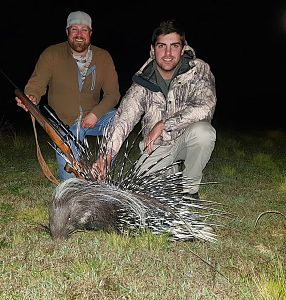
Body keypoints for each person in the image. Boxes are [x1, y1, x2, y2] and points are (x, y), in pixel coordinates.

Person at [96, 19, 217, 197]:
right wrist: (105, 157)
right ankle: (170, 174)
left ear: (183, 49)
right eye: (161, 46)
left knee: (204, 133)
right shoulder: (143, 80)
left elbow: (205, 106)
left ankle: (189, 191)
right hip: (156, 147)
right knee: (139, 192)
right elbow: (124, 118)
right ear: (152, 50)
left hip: (185, 139)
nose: (168, 53)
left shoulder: (199, 70)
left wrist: (164, 124)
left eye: (174, 46)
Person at [16, 11, 120, 181]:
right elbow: (36, 85)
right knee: (69, 181)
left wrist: (96, 113)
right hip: (62, 124)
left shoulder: (103, 57)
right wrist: (31, 97)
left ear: (90, 33)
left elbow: (113, 95)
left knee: (121, 117)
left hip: (91, 119)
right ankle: (73, 181)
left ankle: (102, 168)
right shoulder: (51, 54)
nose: (79, 35)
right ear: (67, 32)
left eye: (84, 30)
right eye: (74, 29)